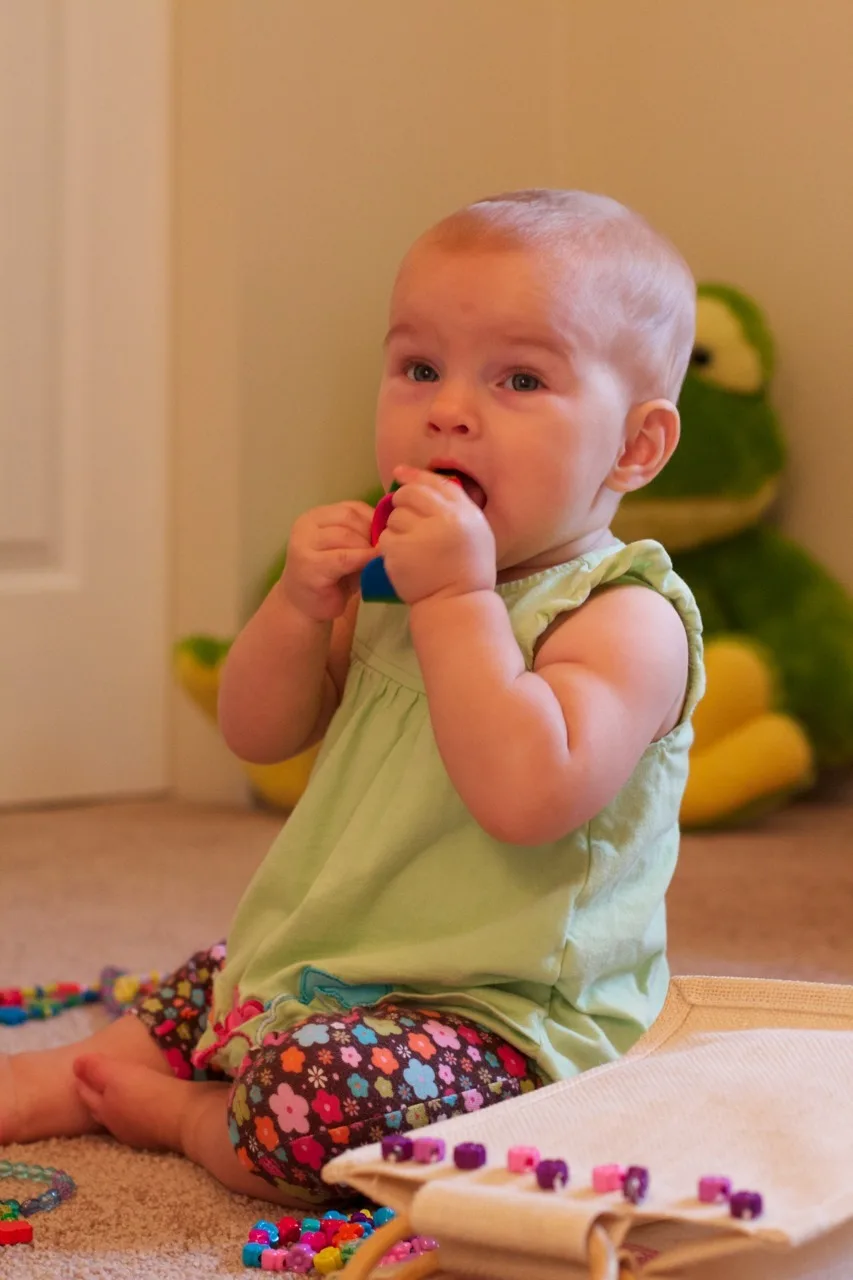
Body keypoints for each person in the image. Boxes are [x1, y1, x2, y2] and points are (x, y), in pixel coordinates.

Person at [1, 189, 703, 1206]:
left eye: (519, 378)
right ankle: (61, 1073)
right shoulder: (392, 574)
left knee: (312, 1098)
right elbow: (260, 731)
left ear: (635, 448)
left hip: (509, 1019)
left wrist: (457, 598)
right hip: (333, 956)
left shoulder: (622, 615)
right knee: (216, 978)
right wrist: (294, 609)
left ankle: (199, 1118)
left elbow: (527, 794)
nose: (448, 408)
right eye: (419, 367)